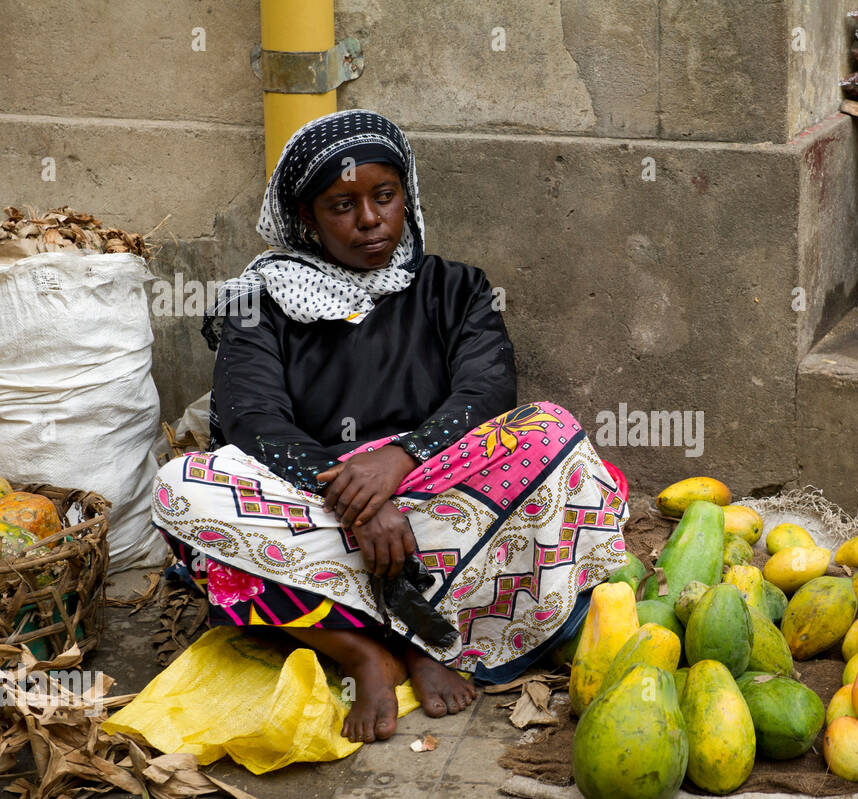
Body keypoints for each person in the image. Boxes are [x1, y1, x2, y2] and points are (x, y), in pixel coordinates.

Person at [152, 110, 629, 744]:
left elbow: (487, 391)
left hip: (440, 499)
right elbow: (252, 420)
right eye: (341, 205)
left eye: (384, 196)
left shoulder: (455, 288)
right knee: (182, 488)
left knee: (551, 432)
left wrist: (402, 459)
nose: (370, 219)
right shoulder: (256, 302)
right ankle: (366, 652)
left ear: (408, 195)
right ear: (305, 217)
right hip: (317, 504)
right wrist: (353, 499)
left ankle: (416, 633)